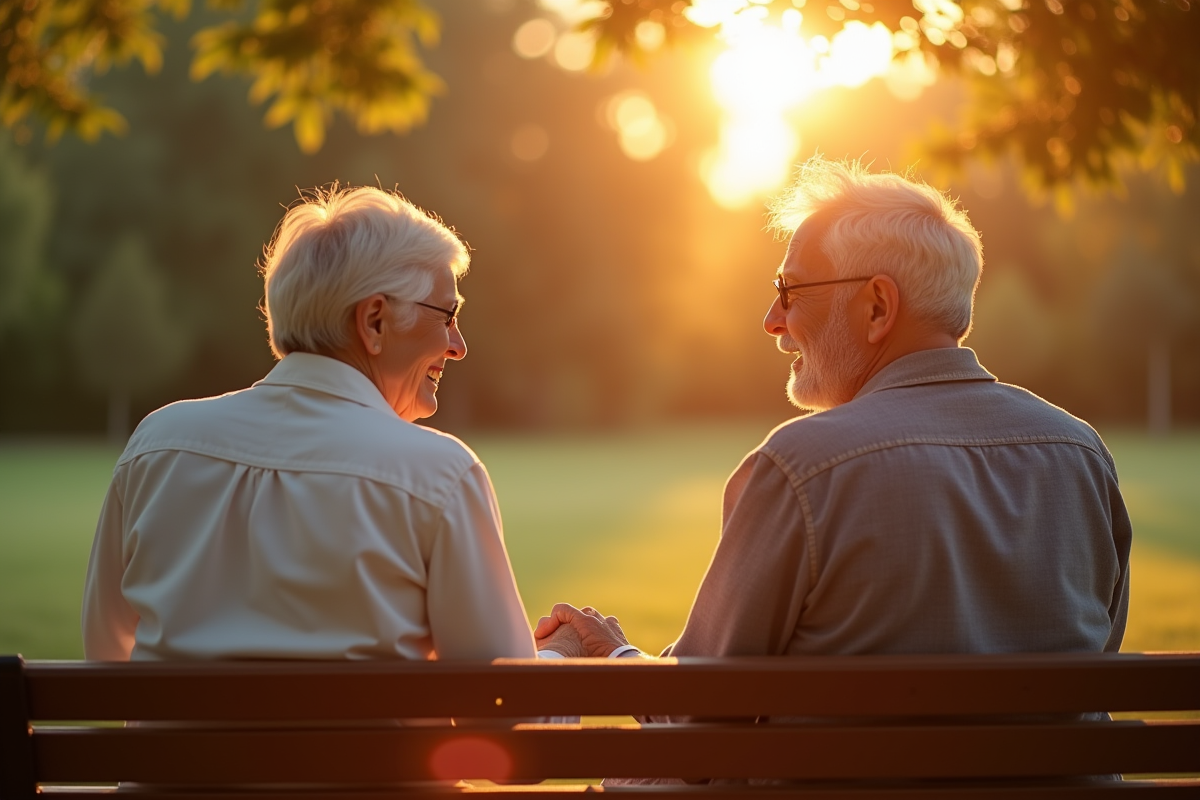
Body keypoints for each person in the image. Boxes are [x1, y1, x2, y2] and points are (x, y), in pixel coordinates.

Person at [535, 156, 1132, 664]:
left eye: (791, 291)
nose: (772, 320)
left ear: (877, 307)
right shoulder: (1082, 454)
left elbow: (696, 711)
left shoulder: (803, 467)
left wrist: (611, 653)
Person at [82, 186, 538, 662]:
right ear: (375, 321)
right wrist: (563, 657)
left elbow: (106, 656)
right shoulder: (438, 477)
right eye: (448, 315)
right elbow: (505, 711)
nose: (458, 345)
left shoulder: (155, 448)